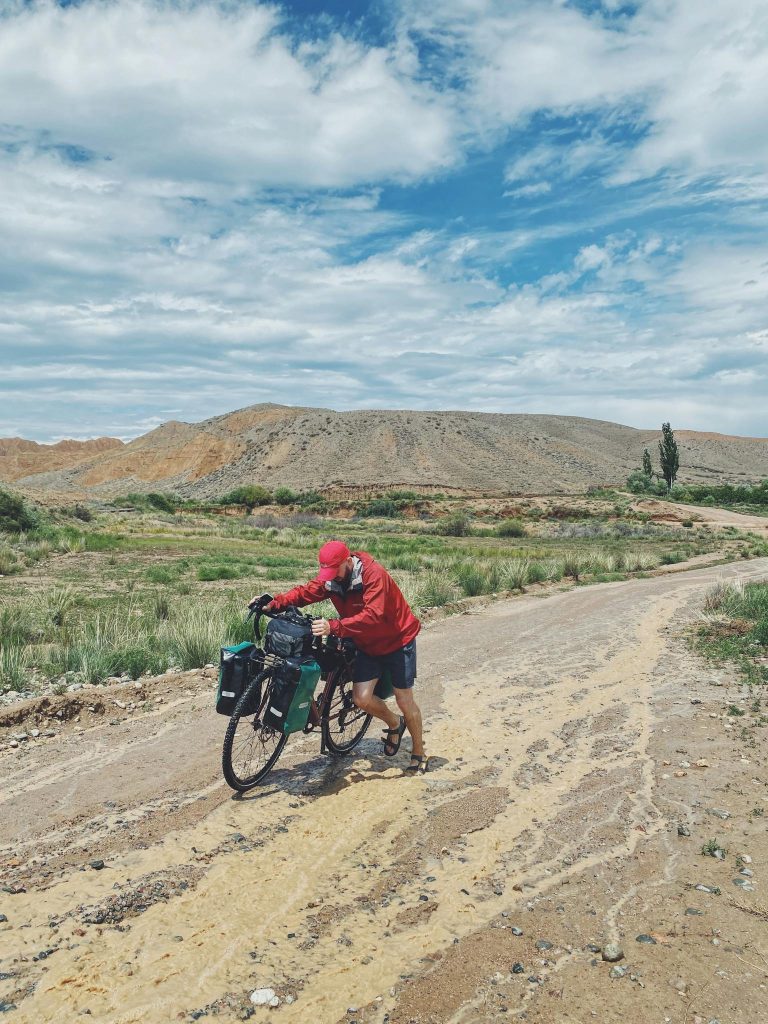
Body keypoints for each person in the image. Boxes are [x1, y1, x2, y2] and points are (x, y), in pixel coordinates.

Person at [250, 540, 428, 773]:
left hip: (397, 640)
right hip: (367, 643)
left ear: (347, 561)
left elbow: (374, 615)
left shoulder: (374, 575)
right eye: (327, 572)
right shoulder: (333, 579)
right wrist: (274, 603)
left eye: (334, 571)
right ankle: (395, 723)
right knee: (361, 699)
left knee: (405, 700)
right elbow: (307, 591)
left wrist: (334, 626)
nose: (330, 577)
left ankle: (419, 752)